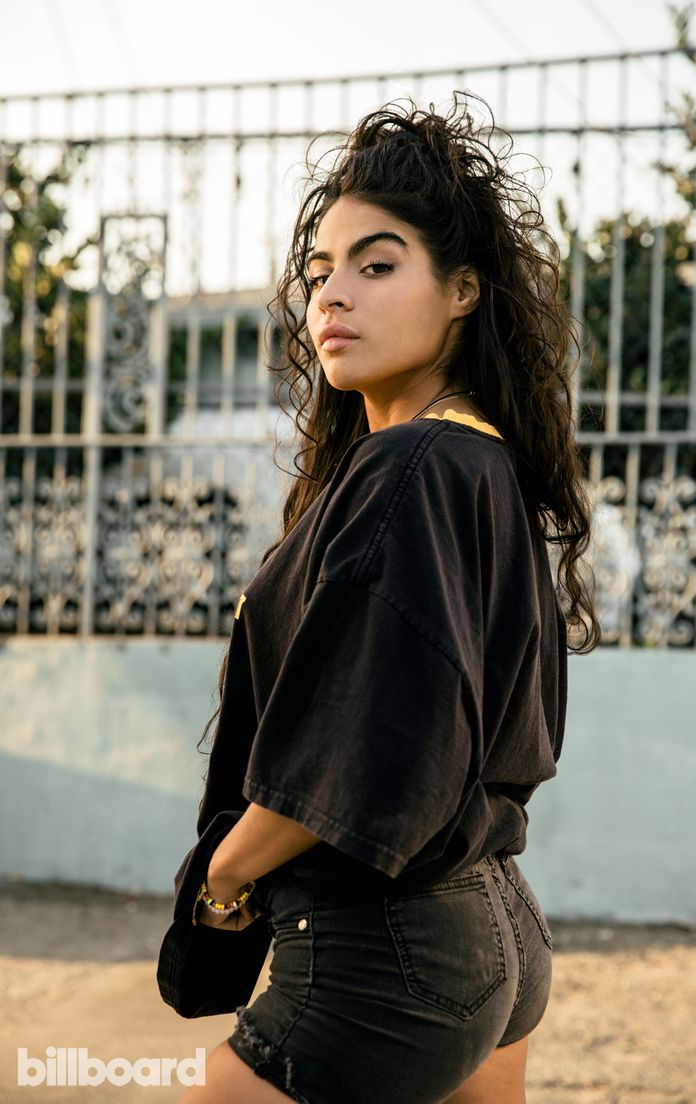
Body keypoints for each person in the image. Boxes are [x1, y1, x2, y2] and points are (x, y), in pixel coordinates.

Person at [177, 93, 600, 1104]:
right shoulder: (478, 463)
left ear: (461, 291)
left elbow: (365, 746)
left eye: (376, 265)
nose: (333, 296)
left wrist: (225, 878)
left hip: (386, 953)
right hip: (495, 924)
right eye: (319, 273)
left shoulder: (411, 466)